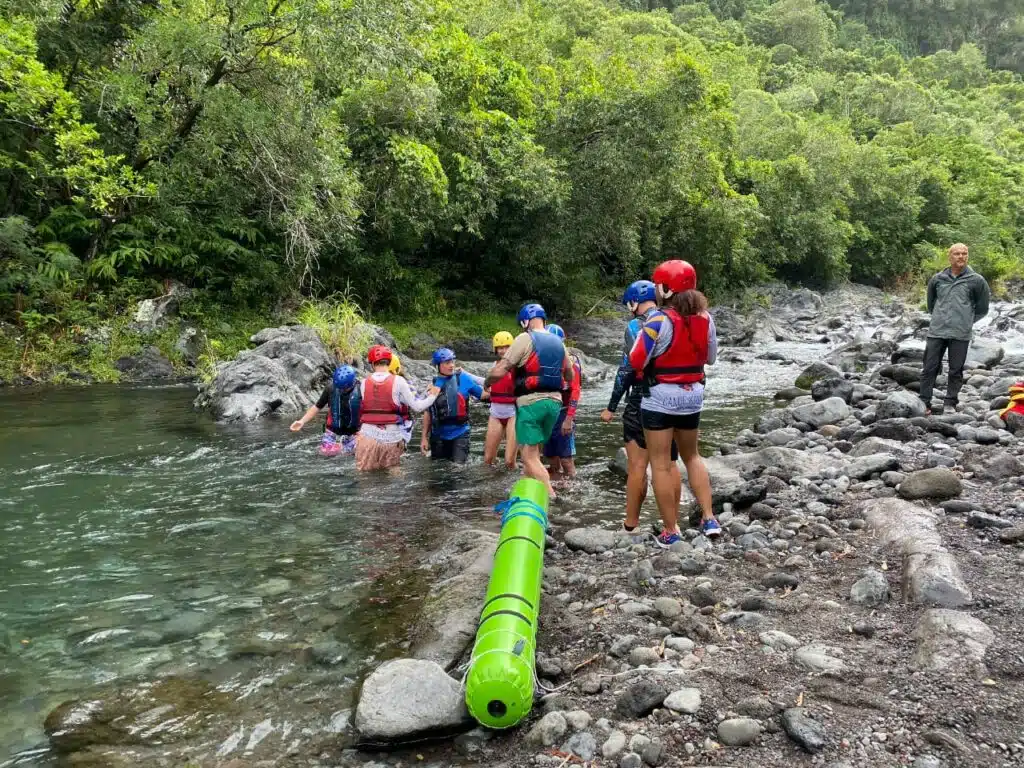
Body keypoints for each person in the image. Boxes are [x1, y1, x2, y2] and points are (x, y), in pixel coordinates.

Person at [629, 260, 721, 546]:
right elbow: (711, 358)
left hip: (660, 397)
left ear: (666, 289)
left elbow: (636, 359)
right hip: (693, 396)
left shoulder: (657, 319)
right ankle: (709, 518)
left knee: (661, 464)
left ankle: (671, 530)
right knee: (692, 456)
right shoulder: (705, 317)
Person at [601, 281, 681, 533]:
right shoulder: (674, 320)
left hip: (641, 398)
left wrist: (611, 406)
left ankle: (631, 524)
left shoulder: (636, 326)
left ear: (634, 301)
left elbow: (627, 369)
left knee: (638, 466)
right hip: (675, 398)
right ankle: (673, 522)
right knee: (670, 463)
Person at [486, 303, 575, 499]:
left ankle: (551, 495)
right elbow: (569, 375)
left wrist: (487, 382)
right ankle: (528, 492)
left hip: (531, 403)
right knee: (532, 450)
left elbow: (502, 368)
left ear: (525, 320)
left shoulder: (525, 338)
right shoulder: (559, 342)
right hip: (554, 404)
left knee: (528, 457)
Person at [919, 243, 990, 414]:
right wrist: (940, 317)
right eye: (957, 254)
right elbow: (931, 304)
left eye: (964, 253)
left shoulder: (976, 281)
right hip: (937, 330)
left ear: (967, 256)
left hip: (960, 333)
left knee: (955, 369)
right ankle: (924, 402)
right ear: (949, 257)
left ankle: (950, 402)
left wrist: (966, 321)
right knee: (929, 367)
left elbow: (982, 309)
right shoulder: (937, 279)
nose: (961, 257)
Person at [356, 346, 438, 471]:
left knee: (365, 478)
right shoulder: (399, 381)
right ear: (389, 363)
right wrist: (433, 396)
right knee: (394, 475)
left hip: (367, 436)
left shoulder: (363, 383)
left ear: (372, 364)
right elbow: (417, 406)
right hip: (391, 438)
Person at [421, 347, 485, 463]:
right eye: (447, 362)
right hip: (438, 435)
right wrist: (424, 438)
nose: (451, 365)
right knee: (439, 472)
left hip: (460, 432)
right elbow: (428, 413)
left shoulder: (464, 379)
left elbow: (484, 395)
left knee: (458, 469)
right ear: (438, 366)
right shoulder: (433, 385)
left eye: (452, 362)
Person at [291, 364, 361, 457]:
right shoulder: (330, 388)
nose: (342, 390)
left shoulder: (361, 389)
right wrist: (302, 421)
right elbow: (317, 407)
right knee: (325, 455)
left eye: (345, 388)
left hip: (354, 433)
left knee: (351, 455)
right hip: (332, 432)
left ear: (353, 382)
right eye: (340, 388)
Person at [543, 324, 581, 478]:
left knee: (566, 459)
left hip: (564, 413)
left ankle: (573, 488)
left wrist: (569, 419)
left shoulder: (571, 365)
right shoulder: (541, 363)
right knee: (551, 458)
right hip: (547, 412)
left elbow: (575, 393)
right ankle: (557, 489)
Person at [483, 331, 519, 469]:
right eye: (500, 348)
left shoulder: (518, 366)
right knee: (488, 459)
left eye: (506, 347)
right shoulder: (494, 366)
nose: (503, 351)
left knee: (509, 461)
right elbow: (488, 385)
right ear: (495, 349)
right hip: (496, 413)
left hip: (513, 413)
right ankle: (492, 484)